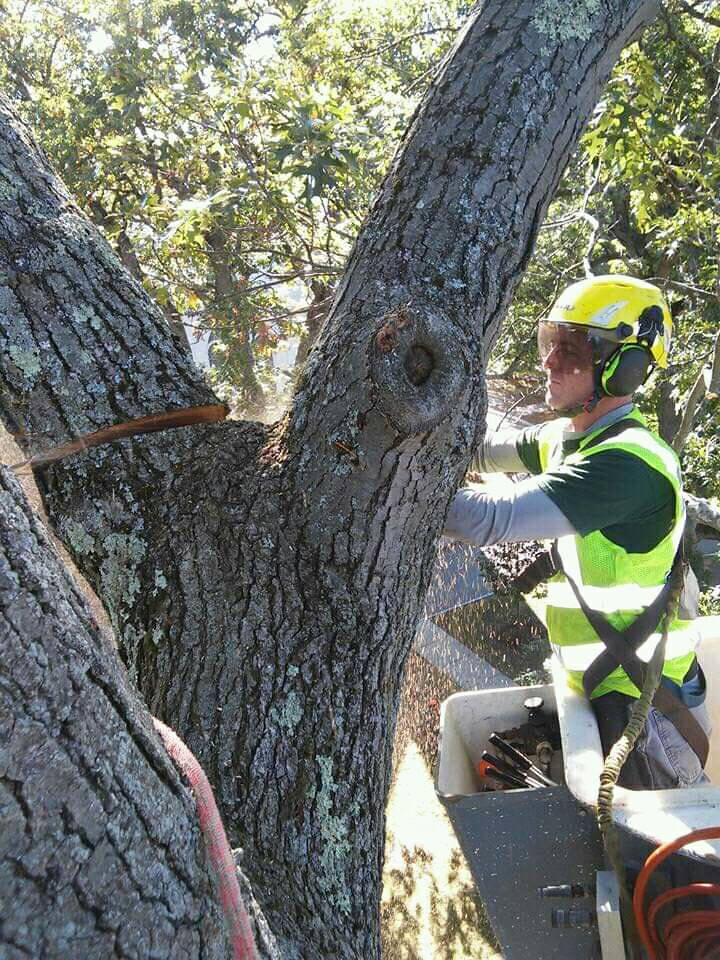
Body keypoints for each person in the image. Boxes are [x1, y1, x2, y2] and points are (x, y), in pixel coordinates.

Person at [444, 275, 710, 789]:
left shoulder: (626, 468)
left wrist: (377, 490)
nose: (548, 362)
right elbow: (476, 452)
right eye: (550, 343)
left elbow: (484, 519)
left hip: (649, 710)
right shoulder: (568, 439)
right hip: (611, 686)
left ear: (623, 368)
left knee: (670, 864)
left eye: (570, 350)